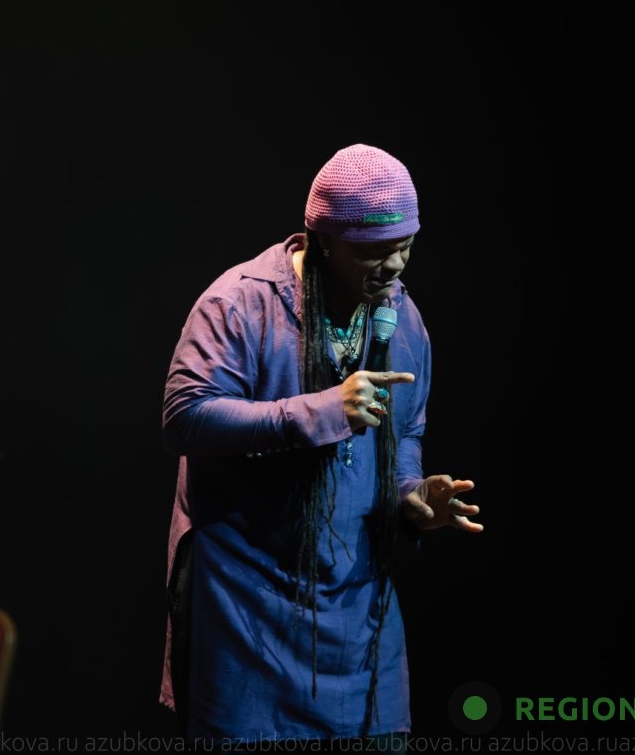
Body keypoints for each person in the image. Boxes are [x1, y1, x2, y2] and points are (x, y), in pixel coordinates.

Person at [160, 144, 483, 744]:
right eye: (374, 251)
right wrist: (322, 411)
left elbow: (406, 429)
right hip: (247, 606)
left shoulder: (403, 318)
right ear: (325, 240)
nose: (394, 267)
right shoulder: (241, 303)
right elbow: (186, 417)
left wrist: (410, 493)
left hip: (357, 617)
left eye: (405, 247)